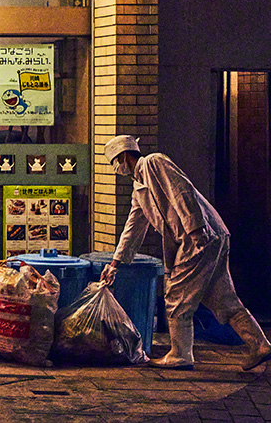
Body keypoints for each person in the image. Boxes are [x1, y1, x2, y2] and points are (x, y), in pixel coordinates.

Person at [101, 134, 271, 371]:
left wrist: (196, 229)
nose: (116, 169)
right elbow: (133, 228)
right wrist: (115, 264)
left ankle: (180, 354)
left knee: (175, 294)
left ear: (124, 156)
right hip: (210, 236)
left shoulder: (153, 162)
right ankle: (260, 345)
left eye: (115, 162)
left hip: (199, 237)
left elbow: (182, 191)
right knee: (222, 298)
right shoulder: (139, 188)